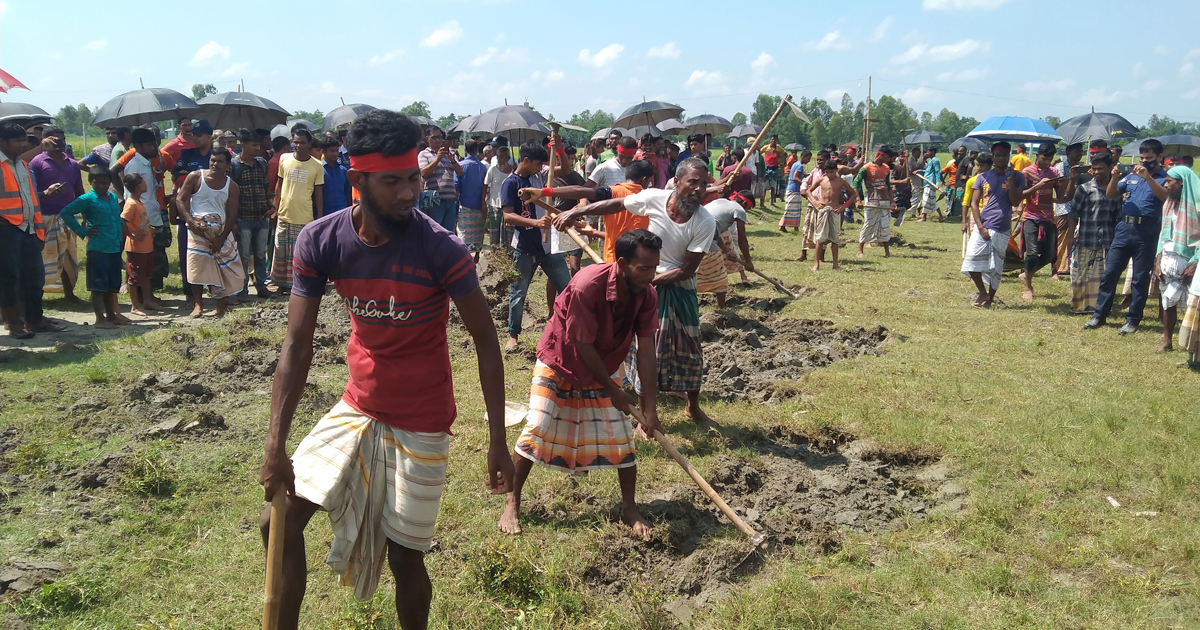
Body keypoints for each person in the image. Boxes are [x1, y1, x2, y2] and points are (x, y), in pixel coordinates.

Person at [257, 110, 514, 630]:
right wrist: (275, 442)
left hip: (422, 417)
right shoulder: (320, 241)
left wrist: (496, 441)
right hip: (358, 405)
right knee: (276, 523)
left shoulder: (441, 248)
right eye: (392, 181)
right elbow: (297, 344)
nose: (408, 193)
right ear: (358, 180)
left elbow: (487, 341)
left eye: (413, 178)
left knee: (405, 557)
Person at [497, 229, 664, 539]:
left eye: (654, 268)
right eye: (644, 268)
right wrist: (613, 391)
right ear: (622, 263)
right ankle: (512, 501)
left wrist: (650, 409)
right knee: (538, 425)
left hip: (605, 363)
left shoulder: (647, 294)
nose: (651, 275)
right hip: (562, 358)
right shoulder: (587, 285)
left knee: (622, 437)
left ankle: (629, 508)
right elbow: (581, 343)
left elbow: (646, 351)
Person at [552, 158, 718, 428]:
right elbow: (617, 203)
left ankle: (693, 406)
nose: (698, 189)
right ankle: (646, 413)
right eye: (692, 182)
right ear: (677, 182)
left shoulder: (705, 221)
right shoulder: (654, 198)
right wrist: (577, 212)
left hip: (678, 286)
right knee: (644, 347)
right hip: (645, 281)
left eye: (704, 184)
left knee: (690, 345)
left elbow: (687, 269)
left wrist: (651, 280)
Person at [1085, 139, 1169, 335]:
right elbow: (1110, 194)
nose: (1144, 161)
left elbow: (1166, 198)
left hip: (1147, 231)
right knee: (1110, 273)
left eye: (1149, 158)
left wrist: (1148, 178)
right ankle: (1099, 315)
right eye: (1142, 158)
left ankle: (1133, 320)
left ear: (1159, 157)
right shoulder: (1131, 176)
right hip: (1124, 228)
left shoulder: (1164, 178)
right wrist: (1114, 177)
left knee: (1139, 278)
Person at [500, 140, 571, 352]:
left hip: (549, 247)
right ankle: (513, 335)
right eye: (538, 163)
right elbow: (508, 216)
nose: (542, 167)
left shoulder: (541, 176)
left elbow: (565, 169)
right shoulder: (510, 183)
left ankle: (571, 330)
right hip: (524, 247)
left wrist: (559, 149)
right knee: (518, 293)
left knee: (568, 289)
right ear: (526, 160)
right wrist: (536, 223)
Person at [1, 123, 67, 339]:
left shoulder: (22, 165)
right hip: (6, 231)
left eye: (24, 140)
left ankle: (35, 320)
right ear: (2, 142)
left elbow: (29, 198)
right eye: (17, 141)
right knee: (8, 279)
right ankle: (13, 323)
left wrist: (38, 228)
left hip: (28, 229)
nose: (23, 145)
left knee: (35, 278)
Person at [528, 159, 655, 263]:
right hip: (640, 264)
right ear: (644, 180)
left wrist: (544, 191)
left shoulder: (613, 193)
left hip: (613, 262)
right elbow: (624, 237)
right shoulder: (651, 200)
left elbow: (581, 191)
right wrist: (594, 232)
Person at [176, 148, 245, 317]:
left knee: (222, 268)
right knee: (196, 267)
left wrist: (221, 238)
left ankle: (220, 304)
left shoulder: (232, 186)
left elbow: (231, 215)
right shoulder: (195, 177)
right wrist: (191, 221)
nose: (215, 164)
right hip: (197, 230)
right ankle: (198, 304)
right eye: (213, 160)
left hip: (221, 231)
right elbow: (180, 199)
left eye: (220, 161)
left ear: (228, 165)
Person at [59, 166, 130, 329]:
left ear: (109, 183)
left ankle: (111, 315)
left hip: (114, 247)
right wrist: (82, 230)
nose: (100, 186)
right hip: (98, 248)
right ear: (90, 182)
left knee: (112, 283)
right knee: (98, 285)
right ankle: (100, 318)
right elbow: (66, 212)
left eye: (104, 183)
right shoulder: (87, 199)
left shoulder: (113, 198)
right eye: (96, 183)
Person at [962, 143, 1025, 308]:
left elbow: (1015, 202)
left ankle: (989, 299)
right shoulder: (983, 177)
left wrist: (1011, 182)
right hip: (983, 225)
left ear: (1009, 156)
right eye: (998, 155)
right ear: (993, 157)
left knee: (996, 267)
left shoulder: (1018, 177)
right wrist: (980, 227)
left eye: (1005, 155)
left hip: (1002, 227)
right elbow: (974, 203)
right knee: (971, 260)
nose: (1002, 158)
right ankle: (982, 292)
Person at [114, 127, 173, 297]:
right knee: (141, 259)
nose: (154, 148)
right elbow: (130, 193)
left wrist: (159, 172)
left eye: (154, 144)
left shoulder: (146, 164)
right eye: (149, 145)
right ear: (138, 146)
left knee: (151, 258)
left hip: (152, 216)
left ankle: (149, 295)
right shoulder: (134, 165)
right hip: (143, 219)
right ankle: (141, 296)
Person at [29, 125, 85, 302]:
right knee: (46, 259)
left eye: (62, 139)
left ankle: (70, 294)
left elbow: (79, 192)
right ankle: (38, 296)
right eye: (55, 139)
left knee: (68, 257)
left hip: (68, 218)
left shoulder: (73, 164)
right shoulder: (37, 163)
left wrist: (87, 215)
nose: (60, 143)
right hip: (45, 217)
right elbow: (30, 193)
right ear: (44, 140)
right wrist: (46, 194)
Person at [1066, 152, 1122, 315]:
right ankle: (1081, 306)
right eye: (1094, 168)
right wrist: (1070, 236)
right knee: (1083, 274)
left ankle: (1100, 306)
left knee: (1105, 276)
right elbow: (1073, 214)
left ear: (1110, 168)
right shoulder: (1084, 189)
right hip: (1086, 239)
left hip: (1108, 240)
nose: (1096, 172)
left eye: (1100, 168)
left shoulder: (1117, 191)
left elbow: (1118, 216)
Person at [271, 127, 324, 294]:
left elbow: (318, 193)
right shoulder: (284, 159)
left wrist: (319, 217)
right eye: (295, 142)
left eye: (301, 142)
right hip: (284, 214)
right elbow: (279, 184)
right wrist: (275, 208)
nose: (298, 145)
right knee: (280, 252)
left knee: (298, 253)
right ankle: (280, 285)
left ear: (309, 144)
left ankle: (296, 285)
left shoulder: (317, 165)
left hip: (304, 216)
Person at [1154, 166, 1199, 353]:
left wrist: (1195, 262)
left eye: (1169, 181)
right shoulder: (1169, 204)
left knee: (1193, 306)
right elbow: (1163, 233)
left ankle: (1193, 346)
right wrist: (1158, 259)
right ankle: (1167, 342)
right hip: (1168, 257)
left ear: (1182, 183)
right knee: (1167, 302)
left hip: (1189, 260)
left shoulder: (1197, 206)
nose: (1166, 185)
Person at [1017, 143, 1065, 301]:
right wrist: (1037, 186)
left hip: (1048, 216)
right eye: (1045, 159)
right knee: (1031, 253)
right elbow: (1020, 195)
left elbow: (1062, 197)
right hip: (1031, 216)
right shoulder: (1027, 172)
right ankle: (1027, 287)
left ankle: (1026, 274)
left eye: (1050, 159)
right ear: (1037, 155)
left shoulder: (1054, 172)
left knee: (1049, 255)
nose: (1047, 162)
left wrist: (1066, 182)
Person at [232, 129, 273, 300]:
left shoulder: (261, 163)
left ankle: (261, 286)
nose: (257, 148)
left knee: (260, 254)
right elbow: (230, 194)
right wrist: (233, 219)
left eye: (258, 144)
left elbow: (266, 187)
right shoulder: (234, 165)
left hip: (261, 217)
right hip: (243, 218)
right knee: (243, 255)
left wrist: (271, 206)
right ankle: (242, 289)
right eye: (253, 145)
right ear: (243, 145)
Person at [696, 191, 755, 307]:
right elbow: (742, 240)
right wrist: (748, 262)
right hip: (705, 238)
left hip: (694, 235)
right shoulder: (739, 210)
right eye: (748, 209)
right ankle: (722, 307)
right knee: (720, 276)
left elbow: (715, 230)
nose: (746, 212)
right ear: (744, 203)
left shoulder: (720, 202)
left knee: (695, 270)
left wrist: (727, 251)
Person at [805, 155, 858, 271]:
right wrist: (815, 202)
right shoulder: (822, 180)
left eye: (832, 172)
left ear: (836, 170)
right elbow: (808, 191)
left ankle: (835, 264)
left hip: (835, 211)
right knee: (820, 238)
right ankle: (816, 264)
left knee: (834, 239)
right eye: (827, 172)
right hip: (823, 210)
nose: (829, 174)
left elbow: (853, 194)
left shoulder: (841, 181)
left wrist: (844, 205)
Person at [119, 173, 160, 315]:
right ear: (138, 186)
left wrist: (150, 229)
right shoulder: (131, 204)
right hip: (136, 248)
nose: (146, 183)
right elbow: (122, 221)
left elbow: (139, 222)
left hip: (146, 247)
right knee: (134, 278)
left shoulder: (139, 202)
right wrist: (132, 235)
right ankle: (135, 306)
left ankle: (147, 301)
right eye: (143, 181)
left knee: (147, 275)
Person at [1054, 142, 1088, 281]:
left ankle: (1069, 265)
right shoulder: (1060, 167)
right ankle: (1057, 267)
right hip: (1064, 206)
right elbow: (1060, 186)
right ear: (1068, 153)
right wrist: (1072, 179)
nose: (1080, 154)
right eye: (1077, 151)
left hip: (1079, 206)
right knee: (1060, 237)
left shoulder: (1083, 167)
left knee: (1075, 237)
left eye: (1081, 151)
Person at [418, 127, 462, 232]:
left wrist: (453, 161)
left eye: (439, 137)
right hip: (435, 201)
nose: (437, 140)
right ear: (427, 139)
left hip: (450, 200)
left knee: (449, 233)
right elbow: (424, 173)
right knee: (435, 232)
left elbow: (460, 173)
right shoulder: (424, 154)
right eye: (434, 137)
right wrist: (437, 159)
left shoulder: (449, 154)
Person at [855, 147, 895, 259]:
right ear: (881, 155)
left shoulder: (887, 168)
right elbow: (855, 184)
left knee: (885, 224)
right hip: (871, 200)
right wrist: (858, 200)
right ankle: (860, 250)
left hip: (885, 200)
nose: (889, 160)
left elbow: (888, 186)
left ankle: (887, 252)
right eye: (888, 157)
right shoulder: (866, 168)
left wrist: (892, 201)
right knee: (869, 223)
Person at [456, 138, 488, 258]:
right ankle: (477, 254)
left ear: (465, 149)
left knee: (464, 234)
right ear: (476, 150)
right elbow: (485, 186)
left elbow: (457, 187)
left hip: (464, 205)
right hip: (479, 204)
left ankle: (465, 257)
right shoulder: (482, 167)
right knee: (478, 232)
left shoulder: (460, 166)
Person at [484, 145, 513, 248]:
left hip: (509, 205)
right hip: (495, 205)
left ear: (508, 158)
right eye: (498, 156)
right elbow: (485, 184)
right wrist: (483, 202)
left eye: (502, 157)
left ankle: (506, 251)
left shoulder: (513, 170)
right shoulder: (492, 169)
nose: (499, 159)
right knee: (494, 231)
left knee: (508, 232)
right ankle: (495, 251)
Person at [779, 150, 810, 233]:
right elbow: (795, 177)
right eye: (808, 158)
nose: (809, 161)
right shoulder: (799, 166)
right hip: (794, 190)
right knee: (790, 209)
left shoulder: (796, 164)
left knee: (796, 210)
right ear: (803, 157)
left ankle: (796, 227)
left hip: (794, 189)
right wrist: (803, 183)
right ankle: (782, 225)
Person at [318, 136, 351, 216]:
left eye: (337, 150)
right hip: (325, 215)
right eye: (332, 151)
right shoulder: (318, 171)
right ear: (323, 151)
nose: (336, 154)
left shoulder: (343, 170)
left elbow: (347, 194)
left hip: (343, 214)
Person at [917, 147, 942, 222]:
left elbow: (937, 172)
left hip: (931, 183)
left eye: (928, 152)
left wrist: (937, 183)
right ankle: (941, 216)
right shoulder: (931, 160)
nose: (927, 153)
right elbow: (928, 171)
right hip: (927, 182)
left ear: (932, 152)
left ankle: (924, 217)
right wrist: (919, 171)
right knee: (931, 200)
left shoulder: (935, 161)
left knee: (926, 199)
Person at [761, 135, 787, 206]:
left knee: (773, 186)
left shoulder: (779, 149)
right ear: (770, 140)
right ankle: (762, 202)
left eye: (774, 139)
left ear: (776, 140)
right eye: (772, 139)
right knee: (764, 186)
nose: (773, 141)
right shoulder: (766, 147)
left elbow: (785, 155)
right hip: (767, 168)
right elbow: (759, 153)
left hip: (775, 168)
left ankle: (772, 201)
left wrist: (780, 161)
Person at [891, 152, 912, 227]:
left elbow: (908, 173)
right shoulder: (897, 165)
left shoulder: (907, 165)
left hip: (906, 187)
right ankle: (896, 215)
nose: (902, 158)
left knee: (906, 203)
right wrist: (894, 186)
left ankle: (901, 214)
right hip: (899, 187)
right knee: (897, 203)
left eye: (903, 157)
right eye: (901, 156)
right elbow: (893, 177)